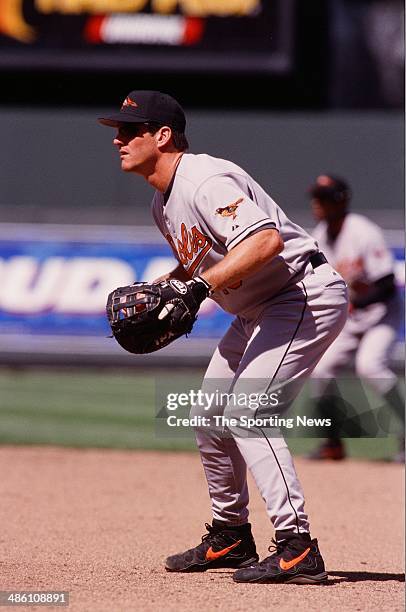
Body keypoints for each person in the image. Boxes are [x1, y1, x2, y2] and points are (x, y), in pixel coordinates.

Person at [99, 91, 348, 584]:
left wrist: (197, 288)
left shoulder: (205, 179)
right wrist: (173, 285)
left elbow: (266, 241)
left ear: (163, 136)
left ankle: (297, 545)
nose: (118, 139)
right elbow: (204, 259)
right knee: (207, 413)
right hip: (261, 306)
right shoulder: (161, 201)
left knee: (247, 412)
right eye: (119, 130)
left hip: (301, 294)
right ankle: (231, 535)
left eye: (131, 130)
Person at [307, 174, 404, 462]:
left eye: (323, 198)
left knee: (370, 365)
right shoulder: (320, 235)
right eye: (315, 198)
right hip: (351, 317)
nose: (317, 204)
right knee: (321, 372)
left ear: (341, 199)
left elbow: (387, 285)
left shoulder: (363, 232)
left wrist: (357, 301)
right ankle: (333, 444)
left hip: (381, 315)